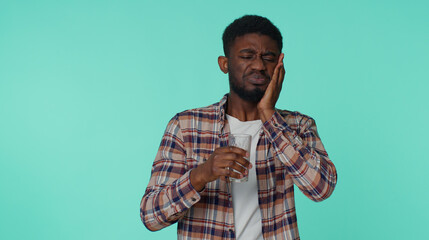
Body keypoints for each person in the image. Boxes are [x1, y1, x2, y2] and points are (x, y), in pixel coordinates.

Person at [140, 15, 337, 240]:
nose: (259, 65)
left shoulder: (298, 126)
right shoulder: (185, 127)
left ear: (279, 65)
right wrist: (202, 174)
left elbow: (321, 189)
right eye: (247, 56)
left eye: (268, 57)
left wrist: (269, 116)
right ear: (225, 64)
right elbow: (151, 216)